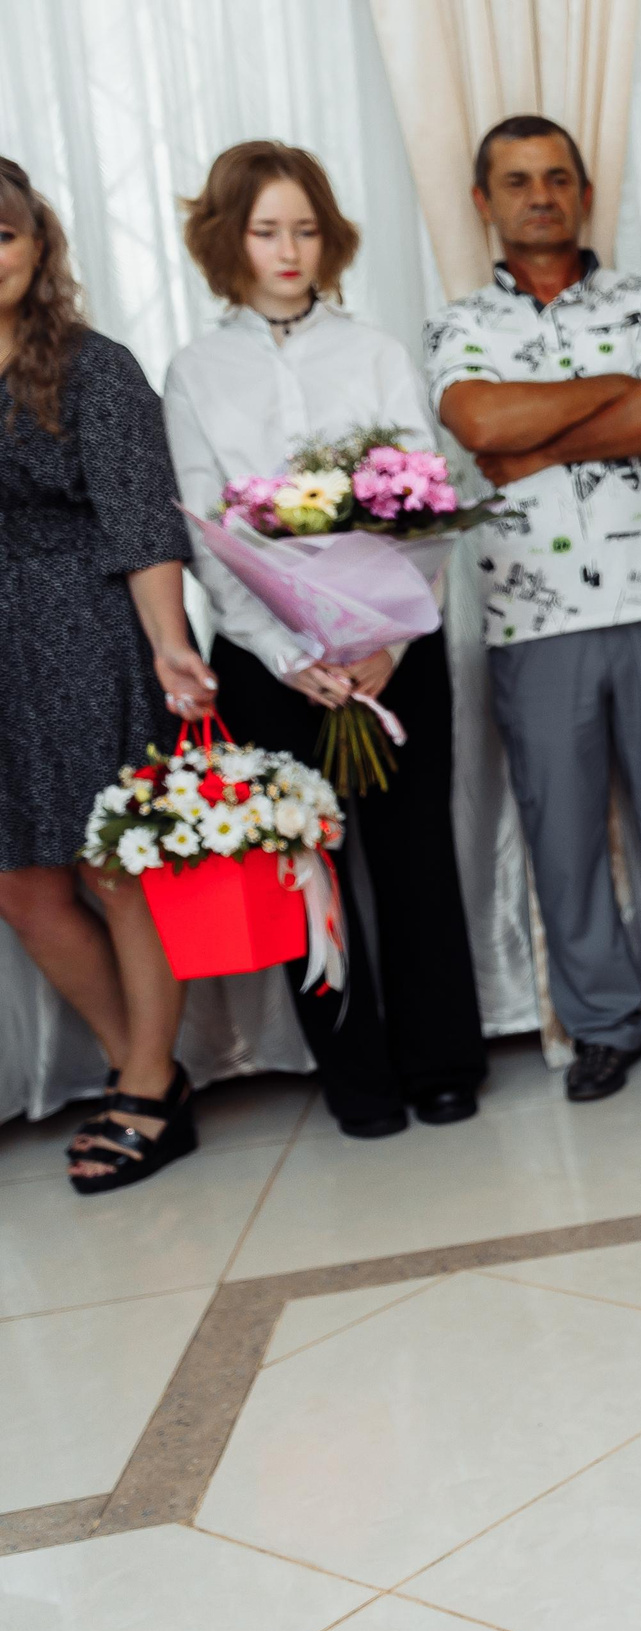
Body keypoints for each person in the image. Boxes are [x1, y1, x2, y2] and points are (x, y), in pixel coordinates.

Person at [428, 115, 641, 1102]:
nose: (539, 195)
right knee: (564, 830)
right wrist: (620, 389)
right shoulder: (457, 325)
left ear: (583, 193)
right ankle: (605, 1025)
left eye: (556, 178)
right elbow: (479, 420)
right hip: (530, 618)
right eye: (516, 180)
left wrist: (537, 444)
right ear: (483, 203)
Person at [165, 141, 487, 1141]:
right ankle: (356, 1076)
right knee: (307, 872)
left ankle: (442, 1063)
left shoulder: (378, 351)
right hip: (272, 669)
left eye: (306, 229)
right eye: (267, 231)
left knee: (414, 856)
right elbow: (203, 528)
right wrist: (283, 651)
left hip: (394, 651)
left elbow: (425, 505)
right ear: (229, 240)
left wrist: (387, 636)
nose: (289, 250)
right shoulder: (194, 371)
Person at [0, 159, 220, 1194]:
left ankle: (142, 1088)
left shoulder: (94, 367)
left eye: (2, 234)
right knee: (22, 887)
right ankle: (146, 1064)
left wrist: (172, 645)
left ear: (37, 245)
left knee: (114, 868)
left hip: (84, 633)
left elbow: (142, 525)